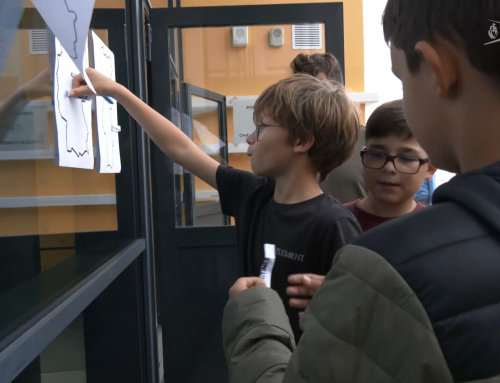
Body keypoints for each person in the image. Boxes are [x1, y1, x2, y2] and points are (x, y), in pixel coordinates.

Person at [221, 0, 500, 381]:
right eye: (377, 155)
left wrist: (254, 313)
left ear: (439, 71)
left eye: (402, 78)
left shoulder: (384, 268)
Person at [69, 71, 362, 341]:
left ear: (301, 141)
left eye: (261, 128)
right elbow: (182, 149)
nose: (249, 138)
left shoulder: (334, 225)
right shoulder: (253, 194)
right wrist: (117, 91)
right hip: (253, 354)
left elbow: (356, 318)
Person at [344, 99, 435, 232]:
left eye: (406, 158)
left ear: (430, 168)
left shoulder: (436, 230)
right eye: (376, 155)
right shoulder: (337, 224)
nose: (389, 168)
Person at [291, 53, 367, 204]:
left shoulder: (370, 140)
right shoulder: (287, 141)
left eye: (318, 87)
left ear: (339, 90)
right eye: (302, 89)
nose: (310, 97)